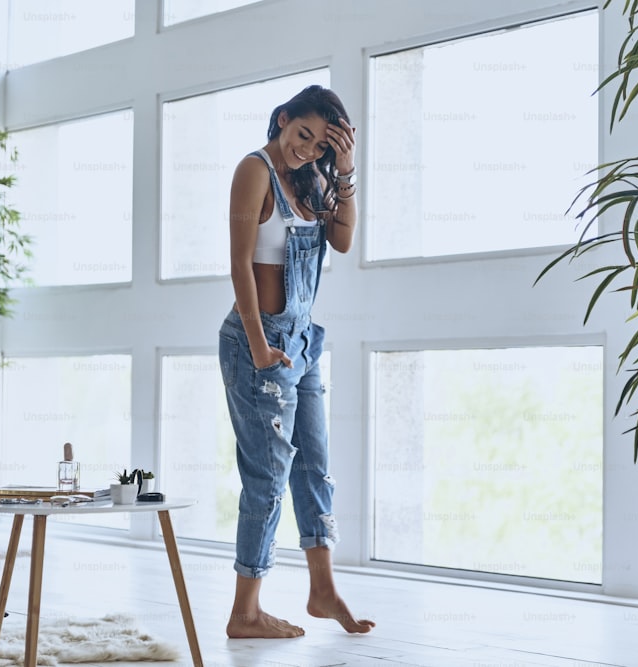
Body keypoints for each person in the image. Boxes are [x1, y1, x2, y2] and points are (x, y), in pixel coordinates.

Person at [218, 85, 375, 638]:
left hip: (304, 342)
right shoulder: (254, 169)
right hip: (258, 341)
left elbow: (345, 240)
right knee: (267, 477)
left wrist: (346, 168)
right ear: (283, 119)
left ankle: (323, 591)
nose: (305, 149)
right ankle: (246, 612)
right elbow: (239, 264)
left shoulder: (315, 178)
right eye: (300, 134)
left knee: (316, 467)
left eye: (318, 144)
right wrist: (260, 346)